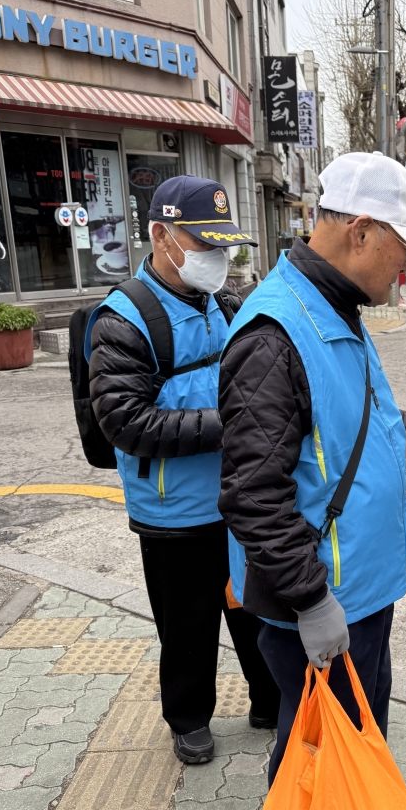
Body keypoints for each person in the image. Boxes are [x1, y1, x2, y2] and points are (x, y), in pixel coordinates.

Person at [218, 152, 406, 784]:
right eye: (402, 249)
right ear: (361, 232)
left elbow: (366, 422)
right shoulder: (274, 335)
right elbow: (253, 495)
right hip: (321, 602)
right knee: (322, 765)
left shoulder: (333, 311)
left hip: (353, 594)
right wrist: (311, 601)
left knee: (345, 751)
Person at [85, 175, 280, 764]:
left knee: (255, 610)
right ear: (160, 236)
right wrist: (232, 420)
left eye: (222, 247)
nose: (215, 260)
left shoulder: (227, 304)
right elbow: (127, 423)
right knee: (188, 625)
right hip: (172, 512)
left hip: (238, 497)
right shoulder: (123, 319)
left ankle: (269, 699)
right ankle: (188, 718)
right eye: (202, 246)